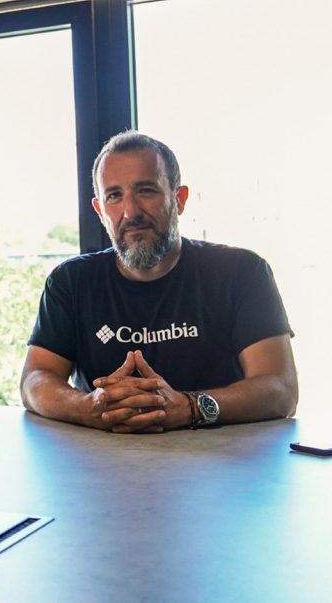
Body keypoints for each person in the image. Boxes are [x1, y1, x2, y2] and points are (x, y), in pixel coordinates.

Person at [21, 130, 298, 433]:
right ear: (100, 211)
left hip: (222, 457)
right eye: (114, 196)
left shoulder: (242, 271)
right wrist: (87, 407)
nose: (130, 212)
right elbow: (35, 379)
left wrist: (190, 407)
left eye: (146, 191)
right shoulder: (71, 281)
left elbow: (280, 389)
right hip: (101, 455)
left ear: (179, 199)